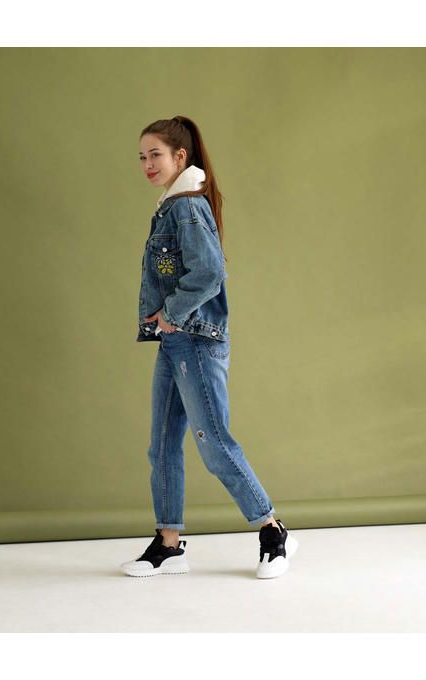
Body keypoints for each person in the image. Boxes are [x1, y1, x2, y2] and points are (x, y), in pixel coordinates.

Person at [121, 115, 298, 579]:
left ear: (180, 157)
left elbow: (210, 271)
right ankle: (169, 543)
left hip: (197, 342)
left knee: (215, 444)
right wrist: (165, 321)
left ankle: (273, 530)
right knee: (162, 447)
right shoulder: (171, 205)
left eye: (155, 155)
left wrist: (171, 312)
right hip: (174, 343)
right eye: (141, 157)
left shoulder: (185, 206)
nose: (147, 164)